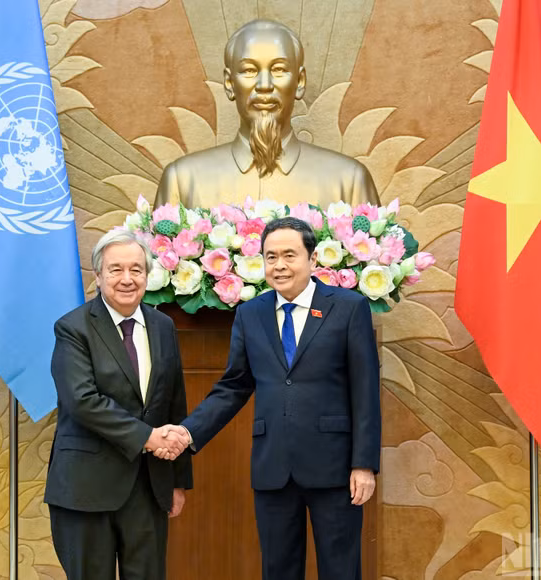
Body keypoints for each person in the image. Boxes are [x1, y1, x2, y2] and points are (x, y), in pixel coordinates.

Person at [159, 217, 381, 580]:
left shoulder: (348, 307)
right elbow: (233, 386)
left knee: (341, 570)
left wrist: (364, 464)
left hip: (336, 467)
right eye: (271, 256)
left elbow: (365, 390)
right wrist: (187, 433)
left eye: (290, 255)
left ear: (312, 260)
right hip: (273, 467)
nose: (279, 265)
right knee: (277, 570)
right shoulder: (251, 314)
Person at [44, 229, 192, 580]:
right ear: (98, 276)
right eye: (116, 269)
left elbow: (175, 402)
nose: (127, 279)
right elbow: (83, 401)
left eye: (136, 269)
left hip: (148, 487)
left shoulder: (163, 326)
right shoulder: (73, 328)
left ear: (147, 274)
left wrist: (177, 480)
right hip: (86, 489)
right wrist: (148, 437)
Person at [154, 19, 380, 209]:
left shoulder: (349, 182)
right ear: (230, 83)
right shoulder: (182, 181)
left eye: (279, 70)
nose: (264, 85)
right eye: (249, 70)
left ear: (299, 82)